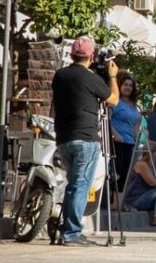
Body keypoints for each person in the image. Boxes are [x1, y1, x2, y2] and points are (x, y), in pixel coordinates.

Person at [51, 36, 120, 246]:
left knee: (74, 184)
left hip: (64, 138)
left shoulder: (59, 75)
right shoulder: (90, 78)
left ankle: (68, 228)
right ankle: (71, 232)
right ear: (91, 56)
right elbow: (114, 100)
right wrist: (113, 77)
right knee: (80, 186)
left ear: (72, 54)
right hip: (85, 137)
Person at [124, 141, 156, 226]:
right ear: (152, 152)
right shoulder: (142, 165)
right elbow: (152, 183)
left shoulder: (153, 165)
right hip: (136, 200)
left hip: (147, 197)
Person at [109, 72, 141, 193]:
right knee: (117, 171)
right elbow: (108, 119)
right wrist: (116, 135)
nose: (128, 87)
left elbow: (137, 120)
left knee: (126, 173)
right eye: (125, 85)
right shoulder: (115, 101)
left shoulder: (133, 105)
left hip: (130, 142)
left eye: (130, 85)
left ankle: (120, 202)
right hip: (118, 142)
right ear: (119, 86)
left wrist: (137, 135)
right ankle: (113, 200)